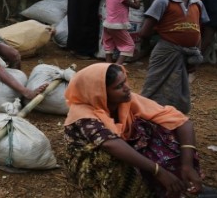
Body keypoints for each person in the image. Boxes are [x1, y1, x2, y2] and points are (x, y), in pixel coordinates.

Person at [64, 63, 202, 197]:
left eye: (125, 81)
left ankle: (177, 182)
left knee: (160, 129)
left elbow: (181, 122)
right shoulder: (82, 115)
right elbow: (109, 143)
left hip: (124, 146)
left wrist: (187, 164)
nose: (127, 88)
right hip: (96, 165)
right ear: (100, 93)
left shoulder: (127, 100)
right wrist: (158, 171)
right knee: (105, 157)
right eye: (119, 86)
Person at [140, 0, 208, 114]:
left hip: (188, 53)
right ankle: (145, 115)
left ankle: (173, 115)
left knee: (180, 86)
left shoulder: (197, 3)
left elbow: (197, 30)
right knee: (155, 84)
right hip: (166, 51)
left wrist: (197, 53)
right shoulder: (162, 2)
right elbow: (145, 31)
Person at [99, 0, 140, 65]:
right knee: (129, 45)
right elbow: (137, 6)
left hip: (107, 25)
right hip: (117, 26)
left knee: (109, 44)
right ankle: (118, 65)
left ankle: (108, 65)